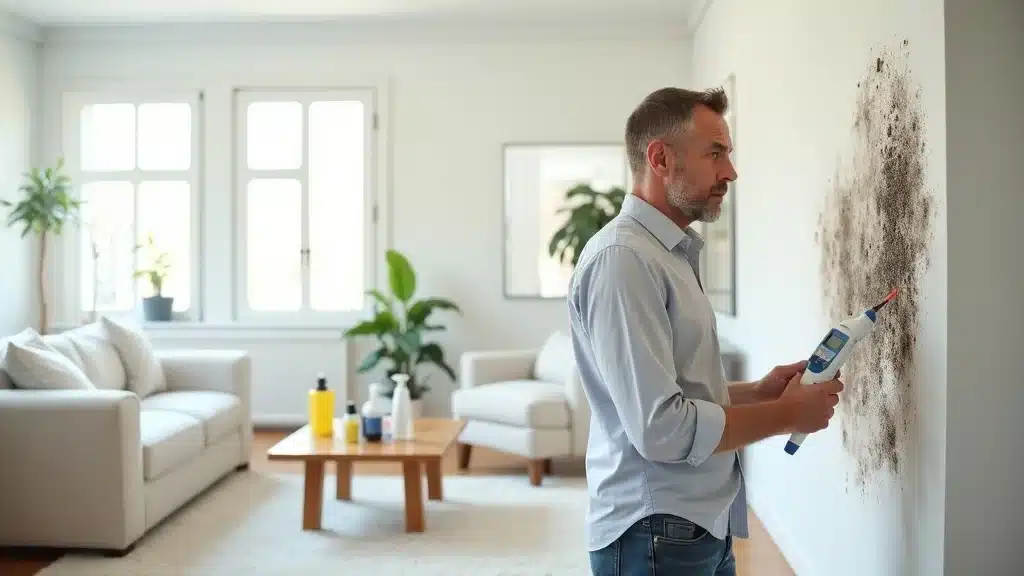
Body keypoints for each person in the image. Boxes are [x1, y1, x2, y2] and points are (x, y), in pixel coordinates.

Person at [568, 87, 844, 576]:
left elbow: (676, 391)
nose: (730, 172)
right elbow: (661, 429)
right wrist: (786, 415)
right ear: (661, 158)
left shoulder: (664, 255)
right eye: (715, 153)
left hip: (693, 527)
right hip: (653, 534)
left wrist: (758, 394)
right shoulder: (624, 261)